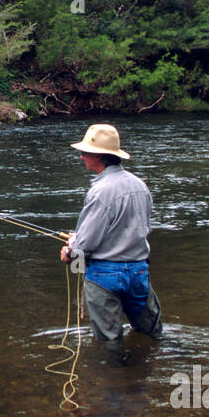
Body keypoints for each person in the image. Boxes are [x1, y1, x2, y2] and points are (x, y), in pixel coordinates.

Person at [59, 124, 162, 359]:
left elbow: (87, 243)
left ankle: (113, 386)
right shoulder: (140, 186)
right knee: (150, 333)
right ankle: (147, 376)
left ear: (98, 156)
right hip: (138, 272)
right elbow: (137, 228)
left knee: (109, 342)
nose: (81, 156)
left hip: (105, 275)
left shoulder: (100, 191)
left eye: (85, 152)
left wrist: (70, 251)